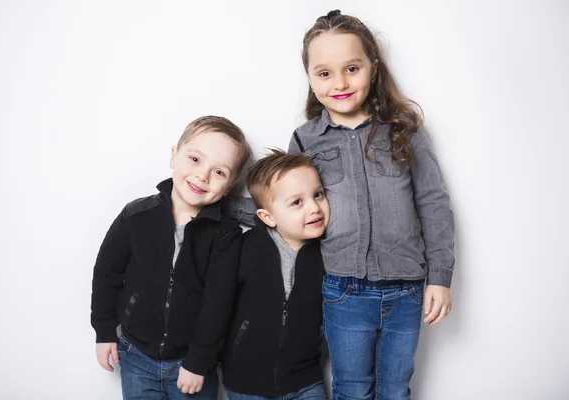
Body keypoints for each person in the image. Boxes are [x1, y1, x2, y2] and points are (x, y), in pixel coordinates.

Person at [227, 10, 455, 399]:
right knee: (351, 387)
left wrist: (439, 276)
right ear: (311, 79)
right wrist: (216, 204)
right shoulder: (306, 139)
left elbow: (433, 202)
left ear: (373, 67)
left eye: (352, 68)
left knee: (396, 387)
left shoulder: (404, 129)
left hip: (407, 290)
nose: (340, 83)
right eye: (325, 73)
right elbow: (283, 203)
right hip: (343, 291)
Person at [90, 116, 251, 399]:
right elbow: (107, 274)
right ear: (174, 156)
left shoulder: (225, 236)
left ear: (229, 186)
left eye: (219, 172)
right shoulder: (136, 216)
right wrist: (104, 331)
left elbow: (219, 305)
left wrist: (199, 361)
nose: (202, 176)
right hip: (135, 355)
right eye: (195, 159)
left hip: (191, 364)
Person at [222, 149, 329, 400]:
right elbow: (219, 303)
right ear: (267, 217)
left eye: (318, 194)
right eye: (297, 202)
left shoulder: (328, 254)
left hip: (306, 380)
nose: (314, 208)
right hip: (245, 382)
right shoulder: (245, 248)